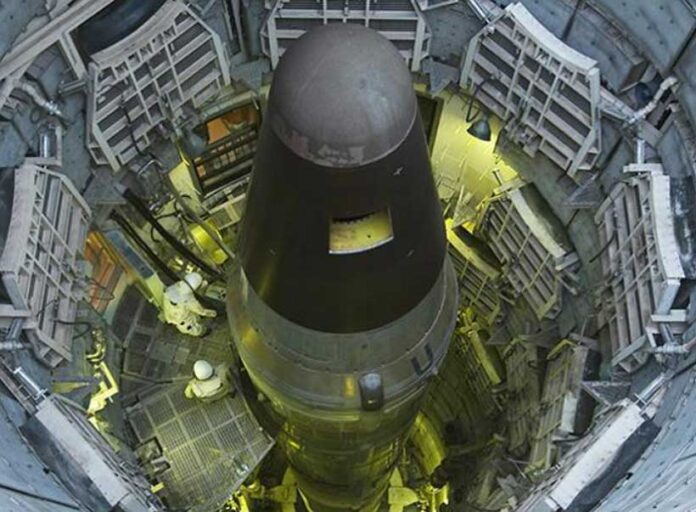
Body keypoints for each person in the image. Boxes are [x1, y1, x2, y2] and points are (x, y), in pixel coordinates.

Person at [162, 272, 217, 337]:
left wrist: (204, 283)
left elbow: (190, 288)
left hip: (170, 311)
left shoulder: (176, 286)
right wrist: (214, 313)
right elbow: (201, 311)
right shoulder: (189, 300)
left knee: (192, 314)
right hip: (181, 319)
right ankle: (202, 333)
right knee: (192, 328)